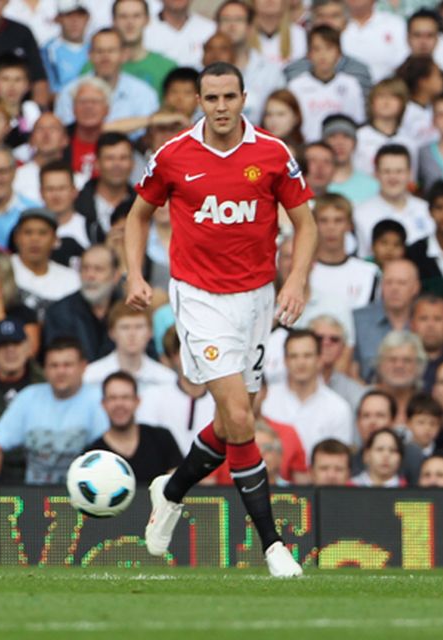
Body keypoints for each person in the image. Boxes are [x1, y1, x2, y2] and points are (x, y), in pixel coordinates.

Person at [125, 62, 317, 577]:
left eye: (230, 97)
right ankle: (273, 545)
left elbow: (305, 222)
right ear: (199, 101)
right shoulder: (173, 155)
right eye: (212, 98)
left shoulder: (273, 154)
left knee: (236, 419)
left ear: (243, 97)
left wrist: (295, 280)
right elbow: (138, 214)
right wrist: (135, 275)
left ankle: (171, 490)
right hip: (199, 298)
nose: (222, 107)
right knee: (238, 415)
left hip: (257, 298)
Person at [0, 337, 107, 484]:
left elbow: (109, 449)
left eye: (67, 365)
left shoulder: (99, 398)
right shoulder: (29, 396)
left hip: (83, 496)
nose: (60, 371)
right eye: (54, 365)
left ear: (83, 366)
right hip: (34, 497)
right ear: (45, 369)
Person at [261, 328, 354, 460]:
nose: (301, 363)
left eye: (307, 356)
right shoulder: (266, 399)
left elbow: (339, 459)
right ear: (285, 360)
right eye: (294, 356)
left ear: (319, 359)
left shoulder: (338, 408)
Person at [87, 370, 181, 485]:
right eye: (112, 398)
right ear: (103, 403)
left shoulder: (162, 438)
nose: (119, 404)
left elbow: (180, 483)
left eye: (125, 397)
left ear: (137, 401)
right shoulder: (94, 453)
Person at [290, 27, 365, 144]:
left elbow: (356, 121)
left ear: (339, 53)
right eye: (317, 49)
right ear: (309, 54)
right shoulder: (295, 86)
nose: (323, 55)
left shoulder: (350, 84)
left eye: (329, 48)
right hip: (306, 148)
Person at [353, 145, 431, 257]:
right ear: (376, 174)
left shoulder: (426, 210)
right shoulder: (359, 213)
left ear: (409, 174)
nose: (393, 177)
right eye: (386, 171)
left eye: (399, 171)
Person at [82, 302, 176, 393]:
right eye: (125, 327)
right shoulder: (90, 377)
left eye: (139, 327)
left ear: (150, 332)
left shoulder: (167, 379)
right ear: (112, 333)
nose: (132, 334)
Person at [353, 259, 420, 382]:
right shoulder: (357, 320)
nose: (394, 288)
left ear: (415, 287)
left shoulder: (425, 320)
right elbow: (350, 371)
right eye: (389, 282)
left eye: (402, 283)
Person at [10, 207, 81, 318]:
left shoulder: (72, 280)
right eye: (28, 233)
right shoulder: (0, 270)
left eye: (43, 233)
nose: (35, 239)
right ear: (16, 237)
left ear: (55, 240)